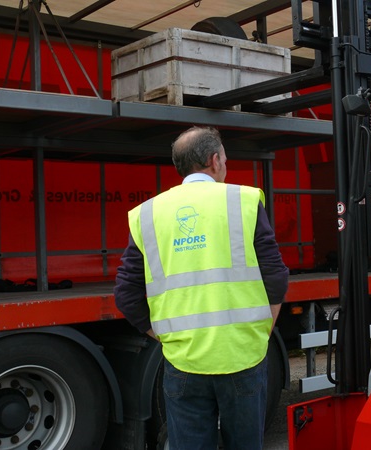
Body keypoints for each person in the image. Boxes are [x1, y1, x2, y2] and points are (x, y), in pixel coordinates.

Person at [114, 126, 289, 450]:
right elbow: (275, 277)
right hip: (243, 355)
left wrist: (163, 335)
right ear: (214, 160)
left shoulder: (148, 214)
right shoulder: (243, 200)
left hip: (184, 360)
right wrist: (262, 331)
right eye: (225, 158)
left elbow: (126, 294)